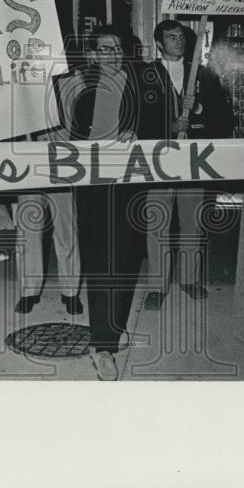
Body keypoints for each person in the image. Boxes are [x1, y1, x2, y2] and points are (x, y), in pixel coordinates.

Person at [139, 20, 233, 310]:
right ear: (158, 43)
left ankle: (189, 279)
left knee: (192, 222)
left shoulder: (202, 74)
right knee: (158, 223)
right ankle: (157, 285)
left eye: (181, 36)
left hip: (194, 160)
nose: (178, 41)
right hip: (159, 159)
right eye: (171, 36)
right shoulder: (146, 75)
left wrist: (201, 112)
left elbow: (224, 119)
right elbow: (137, 117)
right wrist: (168, 125)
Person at [72, 26, 146, 380]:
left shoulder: (143, 85)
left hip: (130, 186)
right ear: (93, 55)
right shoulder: (82, 92)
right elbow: (74, 138)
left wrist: (140, 133)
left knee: (126, 259)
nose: (112, 54)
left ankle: (112, 327)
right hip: (92, 188)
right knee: (100, 261)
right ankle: (103, 344)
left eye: (117, 48)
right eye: (104, 49)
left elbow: (160, 121)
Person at [12, 62, 85, 316]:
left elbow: (84, 117)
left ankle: (71, 291)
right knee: (28, 227)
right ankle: (28, 291)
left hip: (63, 162)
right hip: (28, 163)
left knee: (67, 228)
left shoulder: (73, 79)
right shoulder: (17, 76)